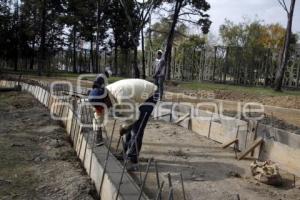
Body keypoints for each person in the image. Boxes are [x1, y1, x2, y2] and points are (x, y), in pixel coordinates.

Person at [88, 75, 158, 170]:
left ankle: (132, 160)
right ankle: (126, 153)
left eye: (104, 106)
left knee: (137, 127)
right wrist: (97, 130)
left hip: (150, 94)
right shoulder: (102, 96)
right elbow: (99, 115)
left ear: (106, 99)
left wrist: (124, 127)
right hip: (136, 94)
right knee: (130, 124)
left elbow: (133, 117)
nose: (106, 108)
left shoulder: (121, 96)